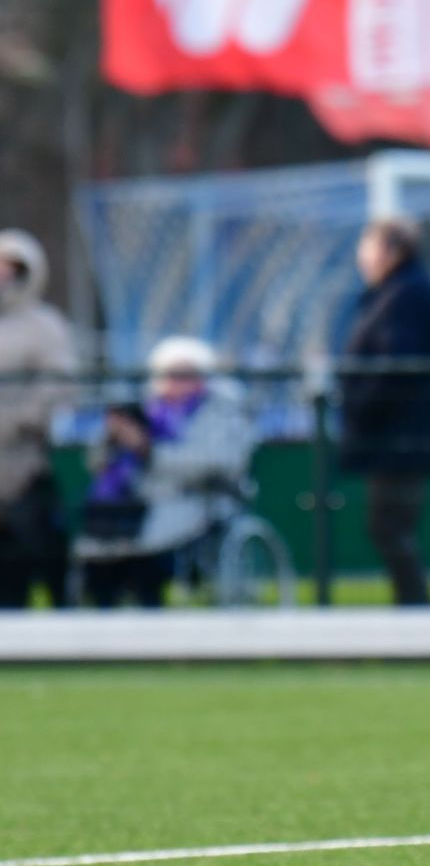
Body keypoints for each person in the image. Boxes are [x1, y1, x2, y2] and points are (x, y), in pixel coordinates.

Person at [74, 337, 251, 607]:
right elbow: (96, 463)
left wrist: (148, 450)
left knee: (148, 553)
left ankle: (151, 608)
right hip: (135, 503)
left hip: (194, 501)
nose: (175, 382)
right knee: (99, 559)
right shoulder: (146, 410)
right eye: (168, 374)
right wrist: (113, 437)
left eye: (185, 374)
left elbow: (215, 461)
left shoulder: (219, 411)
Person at [339, 216, 430, 606]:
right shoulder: (395, 293)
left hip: (400, 438)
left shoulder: (405, 294)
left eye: (368, 247)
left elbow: (395, 366)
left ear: (393, 251)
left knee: (390, 526)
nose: (362, 257)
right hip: (393, 436)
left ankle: (416, 609)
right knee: (388, 526)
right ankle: (413, 606)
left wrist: (361, 407)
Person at [0, 229, 77, 608]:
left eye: (10, 267)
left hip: (26, 458)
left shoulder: (44, 326)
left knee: (31, 548)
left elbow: (57, 384)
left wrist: (19, 419)